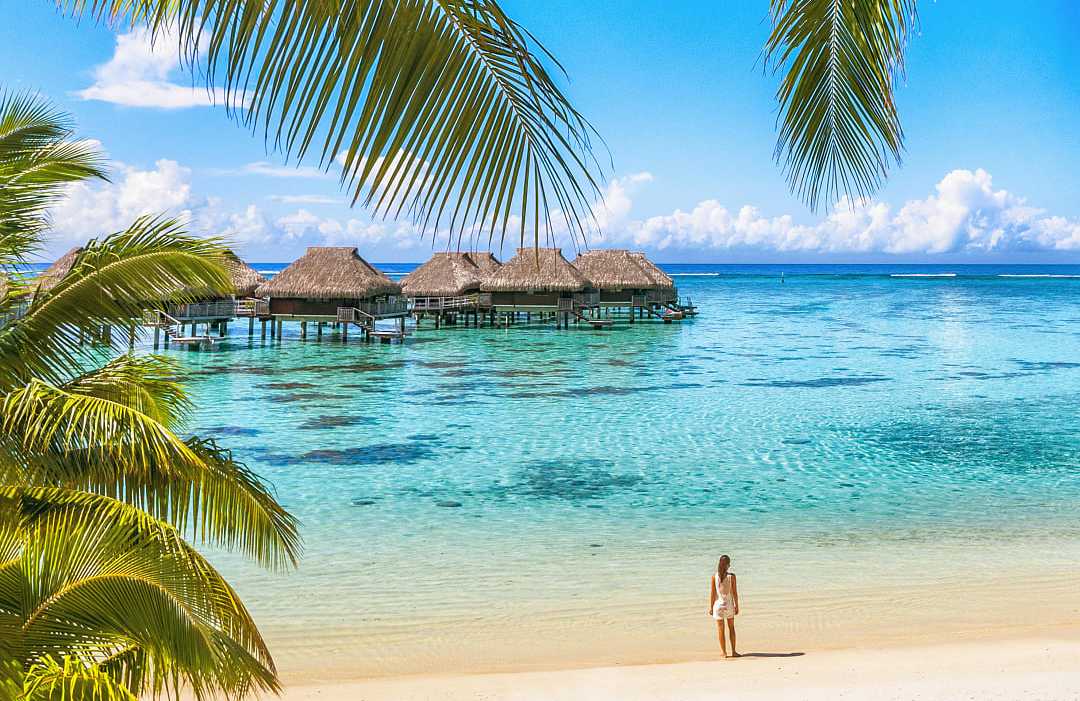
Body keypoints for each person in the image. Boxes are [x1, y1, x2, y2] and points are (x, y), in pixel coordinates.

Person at [706, 554, 739, 658]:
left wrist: (711, 607)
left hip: (718, 606)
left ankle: (724, 653)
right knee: (731, 628)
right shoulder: (732, 577)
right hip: (729, 605)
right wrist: (736, 606)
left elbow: (713, 594)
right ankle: (733, 652)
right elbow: (734, 593)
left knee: (720, 629)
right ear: (728, 565)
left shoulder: (714, 577)